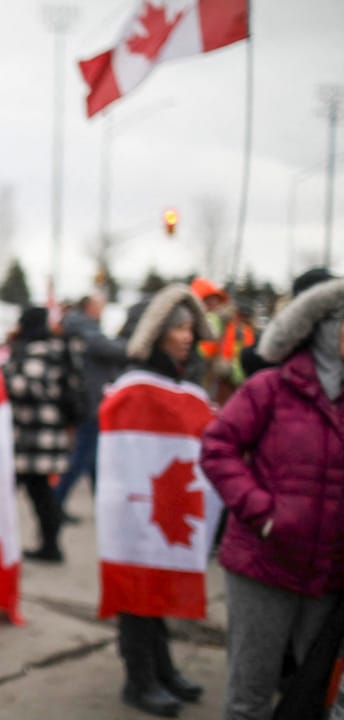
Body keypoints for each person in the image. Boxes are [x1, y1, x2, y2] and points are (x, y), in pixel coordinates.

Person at [201, 277, 344, 720]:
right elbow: (217, 448)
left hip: (328, 573)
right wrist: (261, 512)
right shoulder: (270, 388)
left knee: (316, 691)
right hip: (263, 566)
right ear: (324, 327)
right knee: (251, 697)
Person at [96, 283, 216, 717]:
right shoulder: (134, 390)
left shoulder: (181, 385)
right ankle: (139, 678)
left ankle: (162, 669)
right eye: (179, 328)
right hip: (135, 510)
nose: (188, 336)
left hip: (165, 507)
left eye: (190, 328)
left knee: (159, 588)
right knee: (137, 590)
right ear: (157, 332)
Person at [2, 305, 83, 563]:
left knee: (29, 493)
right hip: (41, 435)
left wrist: (0, 375)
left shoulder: (40, 351)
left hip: (36, 436)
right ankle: (48, 544)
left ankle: (47, 545)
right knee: (39, 493)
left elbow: (28, 388)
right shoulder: (54, 348)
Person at [54, 292, 127, 523]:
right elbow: (109, 349)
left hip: (93, 401)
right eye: (99, 305)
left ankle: (102, 507)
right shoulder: (85, 328)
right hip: (90, 402)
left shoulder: (84, 327)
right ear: (89, 307)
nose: (102, 308)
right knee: (81, 457)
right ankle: (55, 503)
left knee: (93, 460)